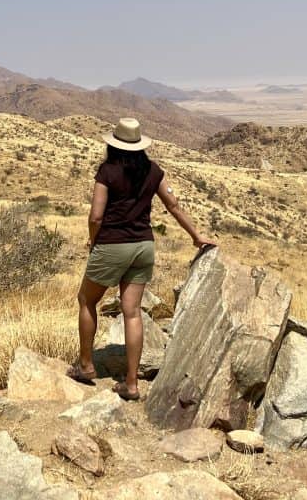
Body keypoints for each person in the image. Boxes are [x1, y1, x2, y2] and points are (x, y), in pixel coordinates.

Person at [67, 117, 216, 401]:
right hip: (143, 246)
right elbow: (173, 205)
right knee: (132, 312)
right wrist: (196, 236)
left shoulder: (107, 171)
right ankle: (132, 384)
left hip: (113, 244)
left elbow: (96, 215)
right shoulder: (153, 171)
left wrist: (93, 238)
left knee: (87, 300)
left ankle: (86, 366)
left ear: (114, 145)